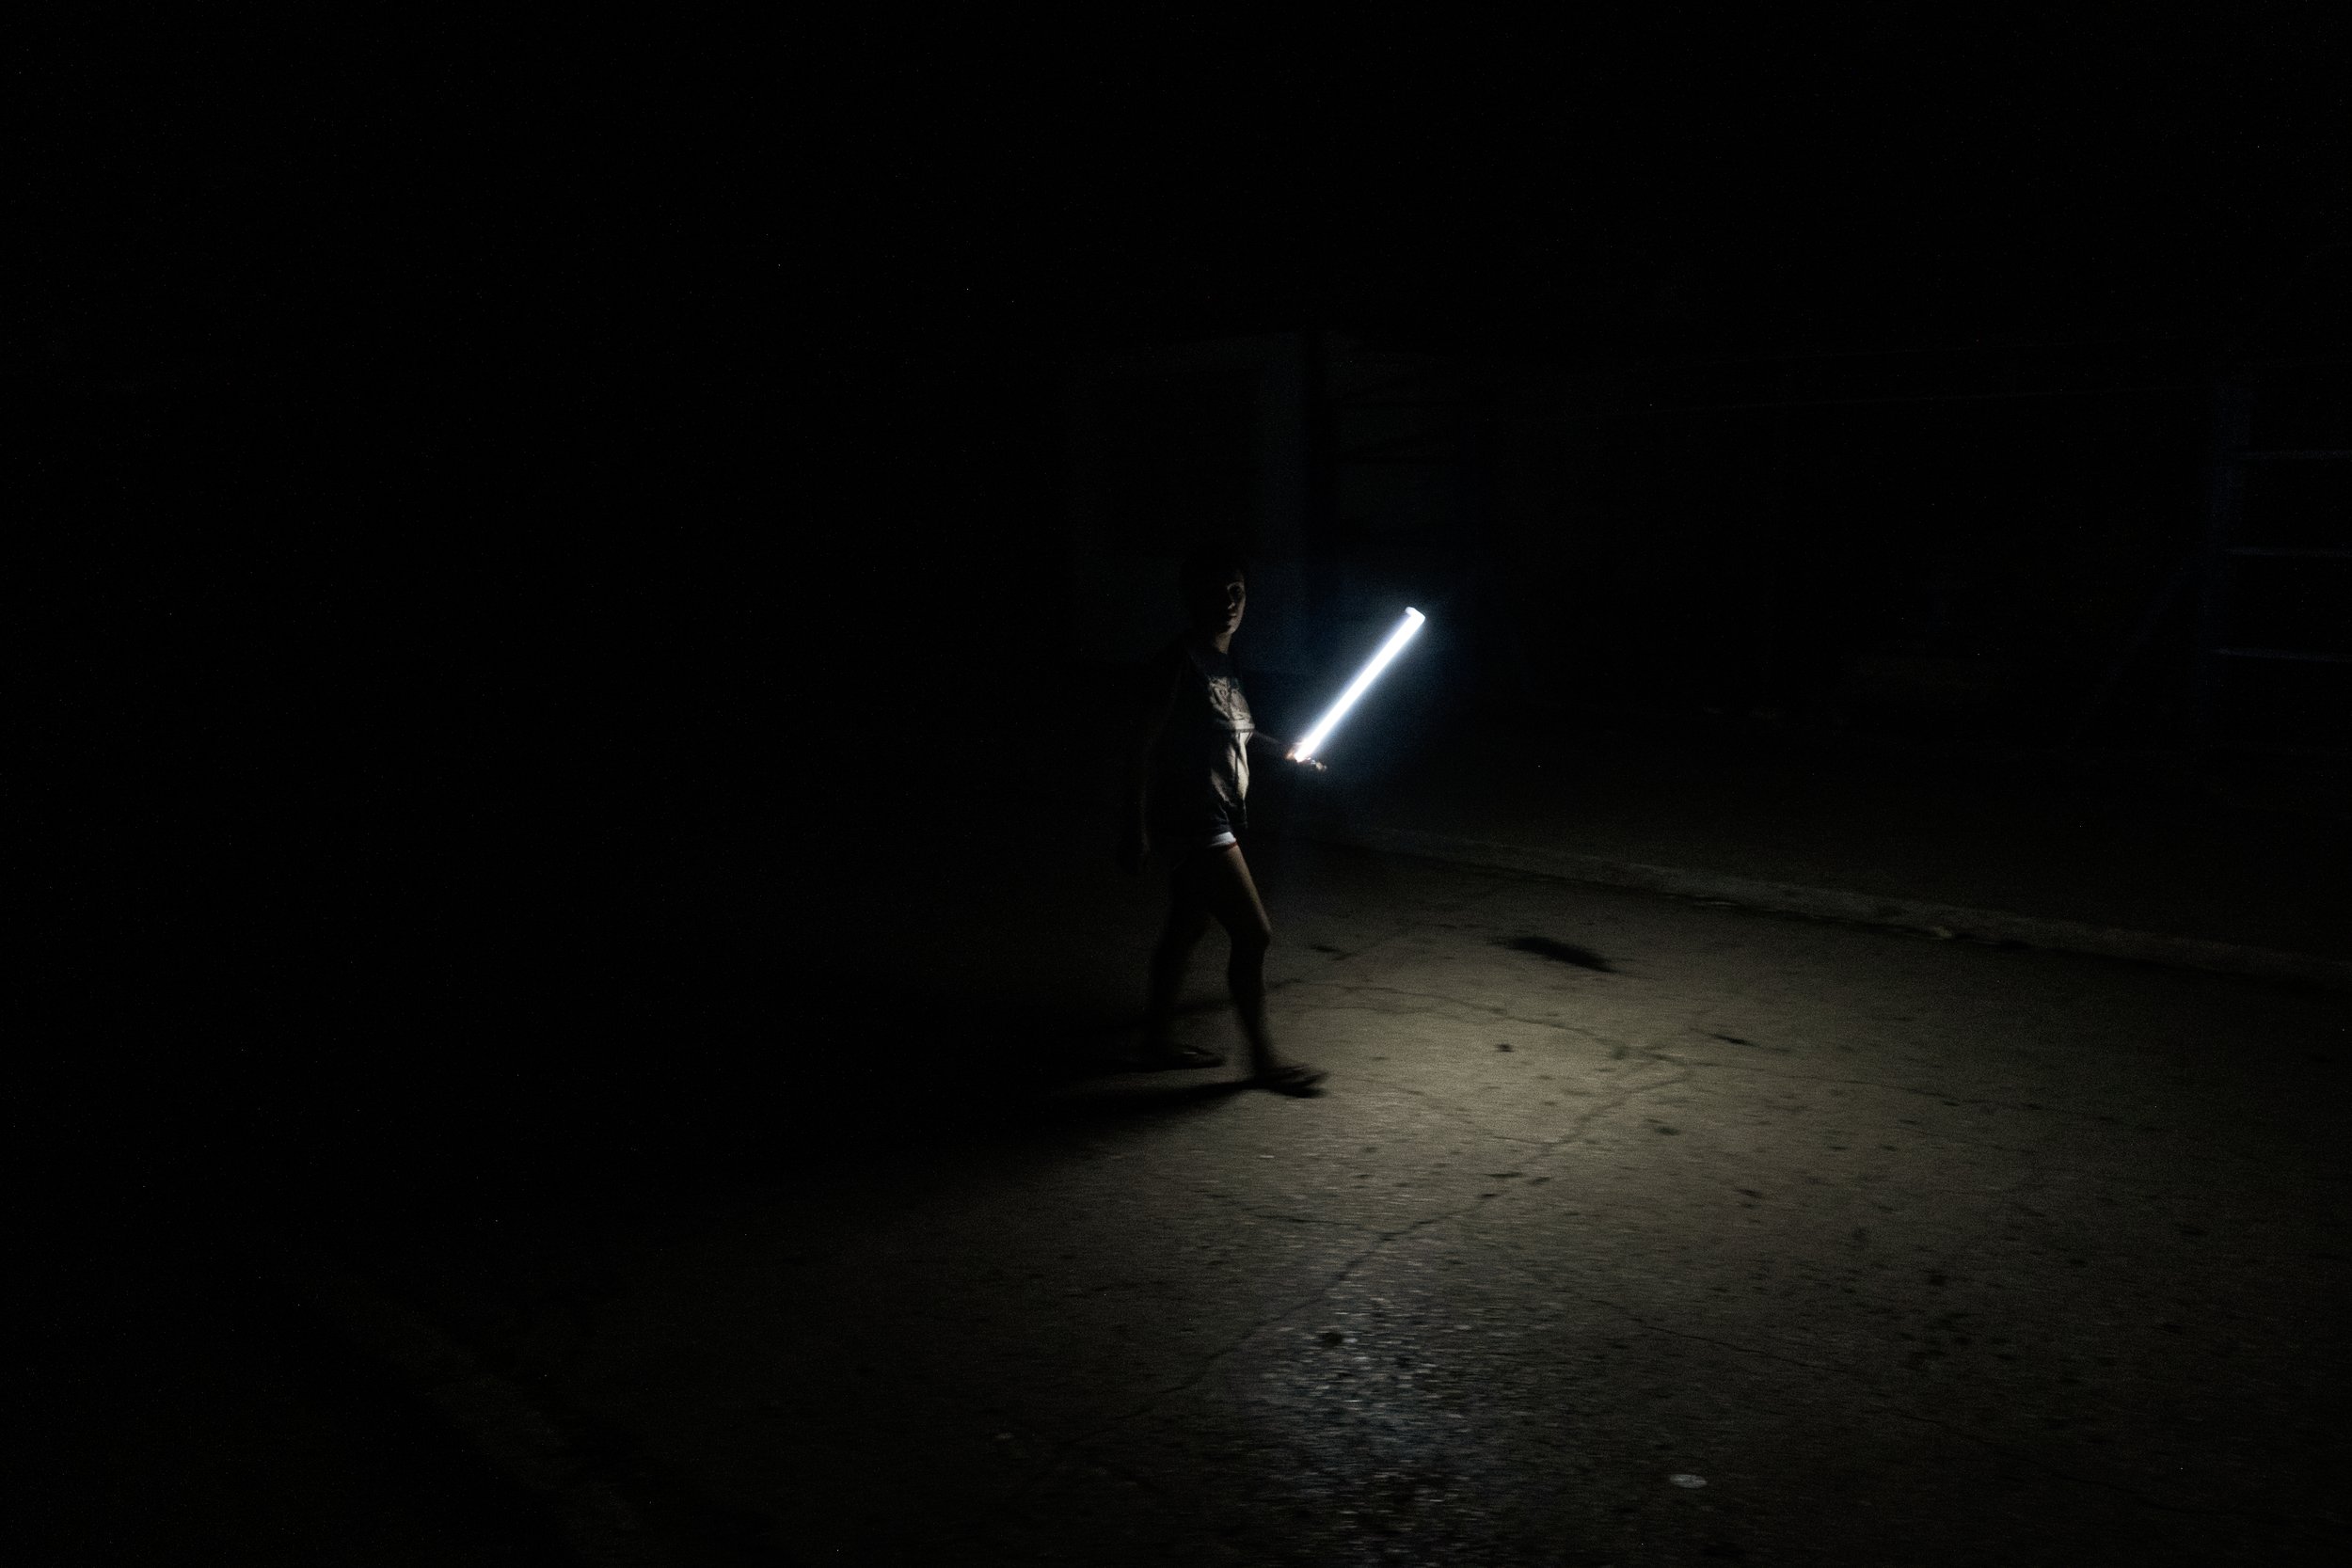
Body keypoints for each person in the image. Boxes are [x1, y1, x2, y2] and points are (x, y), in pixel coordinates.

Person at [1120, 542, 1327, 1096]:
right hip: (1193, 819)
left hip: (1216, 815)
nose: (1229, 601)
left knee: (1187, 925)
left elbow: (1235, 730)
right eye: (1216, 591)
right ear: (1191, 597)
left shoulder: (1222, 662)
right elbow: (1138, 746)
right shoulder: (1178, 662)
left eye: (1237, 590)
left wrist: (1284, 751)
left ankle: (1155, 1043)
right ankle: (1263, 1061)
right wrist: (1133, 825)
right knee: (1253, 933)